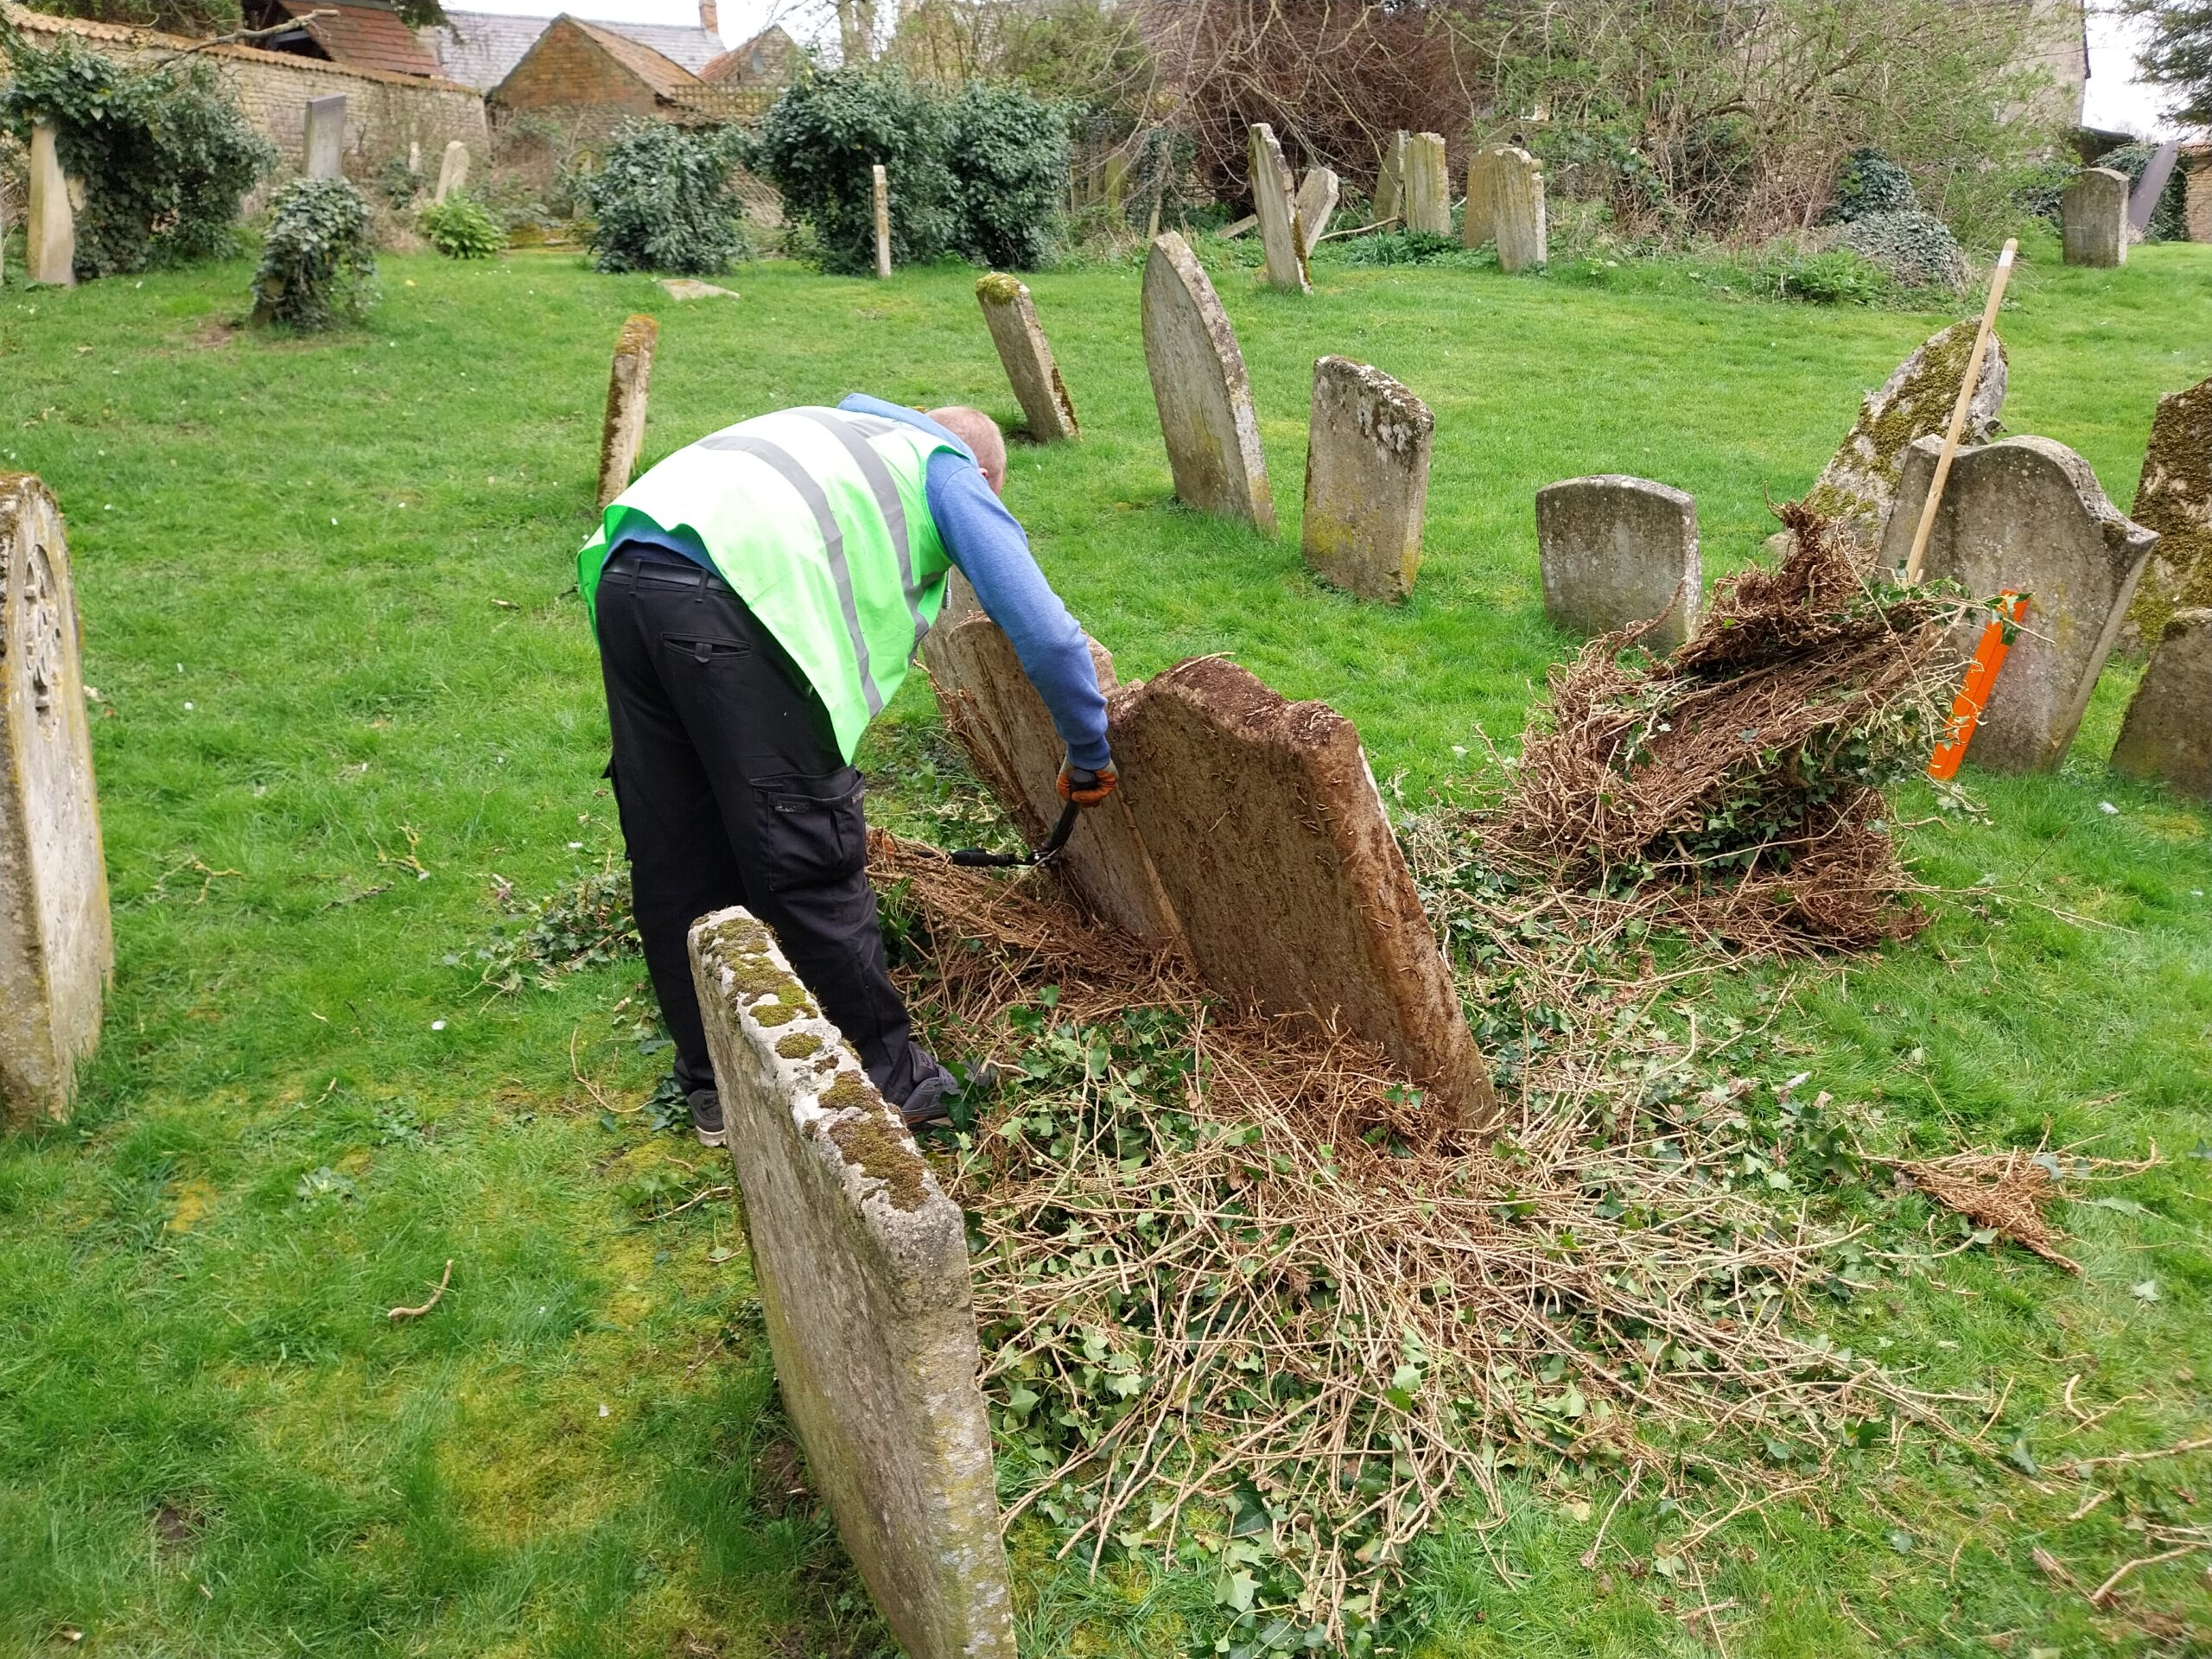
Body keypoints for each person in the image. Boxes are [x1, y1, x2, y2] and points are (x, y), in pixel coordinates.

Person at [578, 396, 1116, 1147]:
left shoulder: (844, 431)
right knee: (807, 855)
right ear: (989, 478)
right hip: (732, 604)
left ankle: (714, 1088)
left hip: (626, 574)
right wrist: (1089, 751)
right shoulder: (948, 472)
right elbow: (1050, 639)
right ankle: (894, 1084)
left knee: (677, 851)